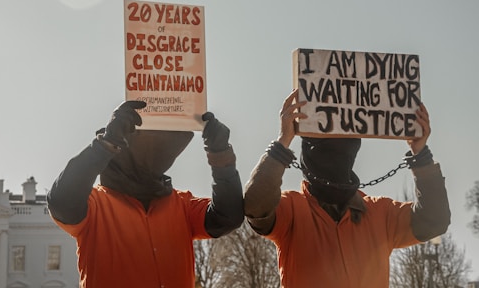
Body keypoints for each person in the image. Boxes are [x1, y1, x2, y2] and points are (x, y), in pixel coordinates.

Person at [243, 89, 451, 288]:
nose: (332, 155)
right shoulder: (292, 211)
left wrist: (420, 152)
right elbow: (255, 205)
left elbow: (434, 221)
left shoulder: (380, 215)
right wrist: (282, 141)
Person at [47, 100, 244, 288]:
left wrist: (220, 155)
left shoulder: (182, 205)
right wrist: (105, 144)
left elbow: (228, 216)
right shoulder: (96, 205)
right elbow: (61, 202)